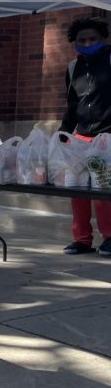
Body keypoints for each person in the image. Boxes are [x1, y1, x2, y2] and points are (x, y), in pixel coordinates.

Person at [60, 17, 111, 256]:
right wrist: (63, 132)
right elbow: (72, 104)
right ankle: (81, 239)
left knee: (103, 192)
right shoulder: (73, 68)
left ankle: (110, 237)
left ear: (102, 39)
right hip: (80, 138)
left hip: (107, 138)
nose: (88, 43)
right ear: (75, 43)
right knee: (77, 190)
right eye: (82, 40)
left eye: (93, 39)